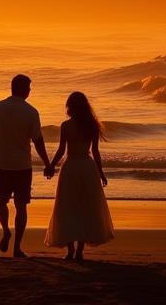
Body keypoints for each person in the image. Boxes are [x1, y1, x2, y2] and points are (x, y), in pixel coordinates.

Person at [0, 73, 54, 258]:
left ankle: (5, 229)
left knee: (1, 201)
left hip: (1, 163)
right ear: (23, 90)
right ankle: (17, 248)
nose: (30, 91)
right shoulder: (31, 112)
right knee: (21, 206)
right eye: (29, 88)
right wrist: (47, 163)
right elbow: (38, 141)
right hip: (22, 165)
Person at [45, 91, 115, 261]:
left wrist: (51, 165)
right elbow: (95, 152)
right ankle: (79, 251)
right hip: (87, 167)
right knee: (86, 207)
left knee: (67, 207)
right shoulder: (92, 125)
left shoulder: (66, 126)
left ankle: (70, 251)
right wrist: (101, 173)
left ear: (70, 107)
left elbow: (62, 150)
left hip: (70, 167)